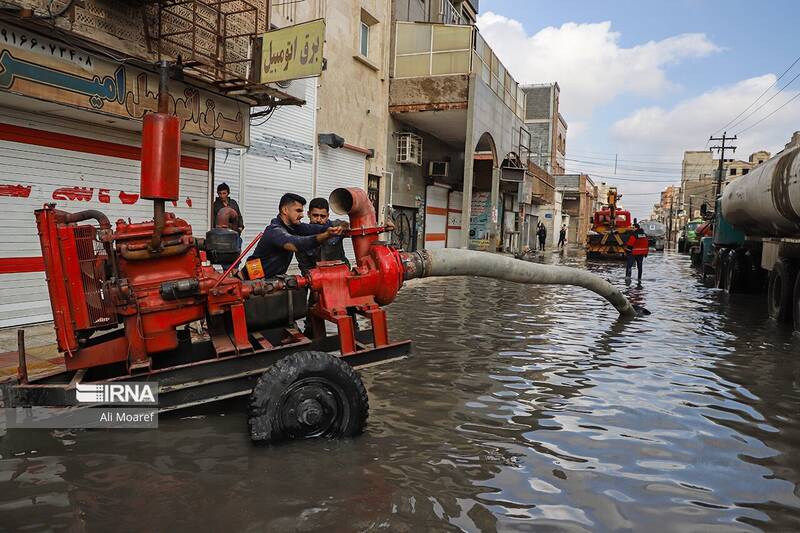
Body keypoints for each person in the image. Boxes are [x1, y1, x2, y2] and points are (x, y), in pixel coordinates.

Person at [244, 193, 342, 279]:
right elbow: (297, 244)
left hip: (268, 280)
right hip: (250, 281)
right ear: (285, 210)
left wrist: (340, 226)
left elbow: (317, 228)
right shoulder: (275, 231)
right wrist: (326, 235)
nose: (302, 215)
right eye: (298, 210)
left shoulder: (294, 227)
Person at [296, 197, 350, 275]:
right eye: (315, 215)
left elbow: (346, 225)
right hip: (318, 277)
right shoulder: (302, 236)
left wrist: (342, 227)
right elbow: (304, 265)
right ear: (308, 214)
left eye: (323, 216)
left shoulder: (334, 226)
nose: (318, 219)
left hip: (340, 273)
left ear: (327, 216)